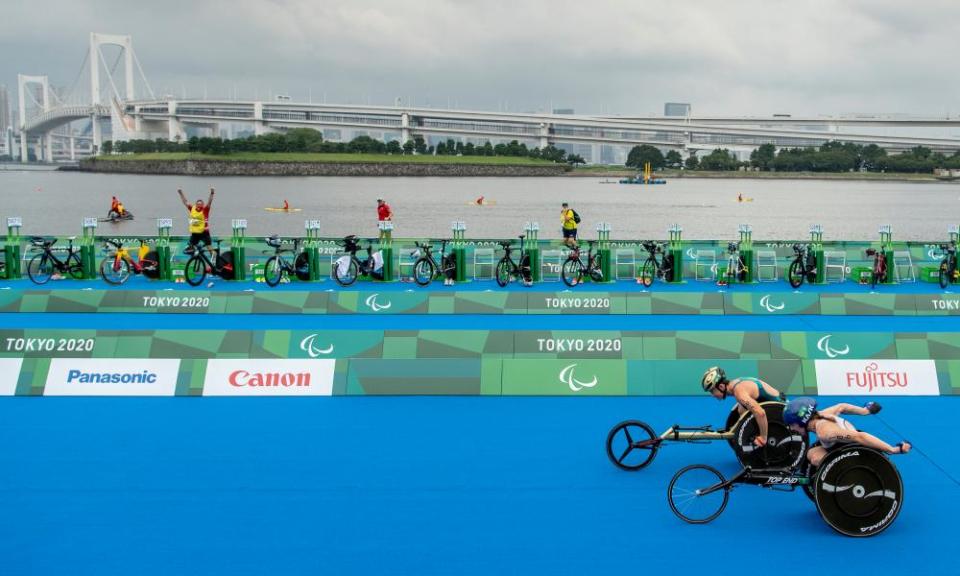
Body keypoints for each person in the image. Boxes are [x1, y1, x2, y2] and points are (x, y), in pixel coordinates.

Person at [783, 397, 911, 467]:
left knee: (816, 458)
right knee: (811, 453)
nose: (792, 429)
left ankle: (840, 478)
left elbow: (859, 437)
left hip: (854, 449)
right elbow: (841, 406)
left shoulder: (825, 431)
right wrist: (865, 411)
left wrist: (892, 449)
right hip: (841, 445)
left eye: (792, 425)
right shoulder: (821, 414)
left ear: (801, 422)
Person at [701, 366, 786, 447]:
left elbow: (760, 413)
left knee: (747, 409)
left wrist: (763, 438)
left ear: (721, 386)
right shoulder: (734, 384)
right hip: (773, 400)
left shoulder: (739, 393)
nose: (712, 395)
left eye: (712, 391)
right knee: (741, 409)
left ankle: (763, 434)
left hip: (780, 407)